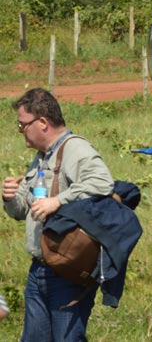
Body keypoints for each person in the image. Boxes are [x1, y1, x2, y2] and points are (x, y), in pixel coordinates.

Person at [2, 88, 115, 340]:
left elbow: (102, 183)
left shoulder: (75, 149)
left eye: (22, 125)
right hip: (40, 269)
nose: (20, 131)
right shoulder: (42, 158)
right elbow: (23, 210)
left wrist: (58, 201)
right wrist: (9, 198)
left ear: (42, 122)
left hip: (67, 270)